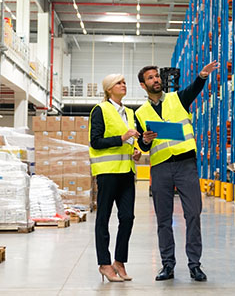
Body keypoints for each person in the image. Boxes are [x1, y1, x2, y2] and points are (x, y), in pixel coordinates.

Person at [135, 61, 218, 282]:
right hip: (161, 167)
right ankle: (167, 265)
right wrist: (144, 140)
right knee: (163, 218)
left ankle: (194, 265)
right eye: (150, 78)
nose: (156, 80)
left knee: (193, 214)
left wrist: (202, 76)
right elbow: (143, 146)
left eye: (157, 76)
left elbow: (194, 89)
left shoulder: (176, 99)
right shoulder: (140, 113)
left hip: (185, 164)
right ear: (143, 85)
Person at [89, 74, 141, 282]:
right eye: (119, 83)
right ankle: (104, 264)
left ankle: (119, 262)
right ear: (109, 89)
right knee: (103, 217)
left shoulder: (129, 112)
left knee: (127, 217)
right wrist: (122, 138)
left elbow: (130, 142)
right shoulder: (100, 110)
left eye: (124, 83)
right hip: (108, 171)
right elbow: (96, 142)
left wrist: (135, 151)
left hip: (127, 171)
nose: (123, 85)